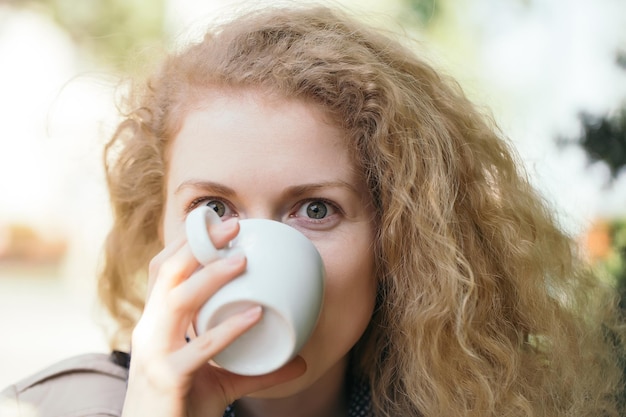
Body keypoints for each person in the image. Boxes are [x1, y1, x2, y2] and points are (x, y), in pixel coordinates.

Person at [2, 4, 625, 417]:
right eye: (214, 206)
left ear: (399, 241)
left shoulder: (485, 402)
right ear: (159, 224)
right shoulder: (71, 404)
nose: (251, 254)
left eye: (316, 210)